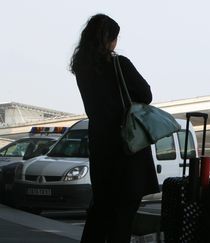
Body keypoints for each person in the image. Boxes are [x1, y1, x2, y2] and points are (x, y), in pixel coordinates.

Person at [70, 14, 160, 243]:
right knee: (123, 215)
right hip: (126, 145)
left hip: (100, 144)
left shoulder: (82, 68)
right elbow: (146, 95)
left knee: (100, 210)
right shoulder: (119, 64)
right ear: (108, 39)